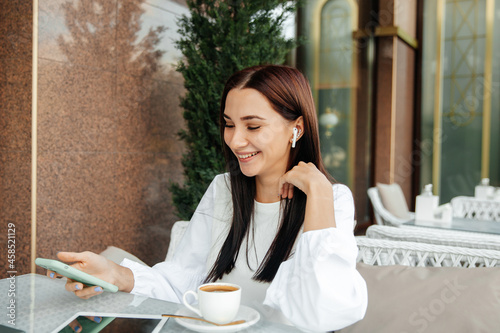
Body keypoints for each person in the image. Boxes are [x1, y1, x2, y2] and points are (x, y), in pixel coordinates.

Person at [48, 65, 367, 332]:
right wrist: (116, 274)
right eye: (229, 125)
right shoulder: (224, 190)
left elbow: (322, 311)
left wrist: (320, 195)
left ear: (296, 128)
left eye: (252, 126)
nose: (236, 140)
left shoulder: (331, 199)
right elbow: (182, 282)